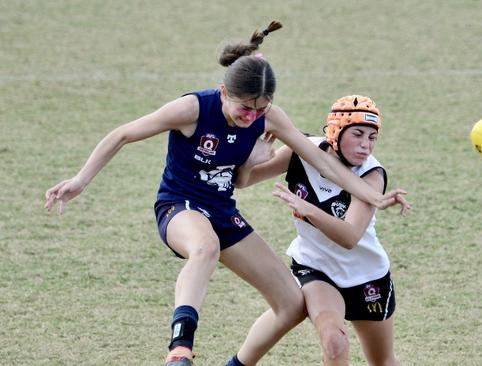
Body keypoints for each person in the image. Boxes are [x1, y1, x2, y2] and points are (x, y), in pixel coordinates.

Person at [43, 22, 408, 366]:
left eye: (261, 109)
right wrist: (81, 179)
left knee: (292, 304)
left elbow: (323, 162)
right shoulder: (192, 108)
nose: (253, 116)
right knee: (205, 248)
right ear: (223, 92)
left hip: (222, 210)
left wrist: (376, 198)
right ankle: (180, 347)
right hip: (179, 205)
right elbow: (123, 133)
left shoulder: (270, 117)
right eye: (245, 108)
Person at [236, 95, 404, 365]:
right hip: (316, 268)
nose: (365, 145)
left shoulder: (372, 174)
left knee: (382, 361)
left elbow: (349, 237)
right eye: (358, 134)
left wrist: (308, 210)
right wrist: (249, 161)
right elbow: (243, 181)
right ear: (336, 131)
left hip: (367, 275)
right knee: (334, 342)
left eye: (372, 138)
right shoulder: (300, 152)